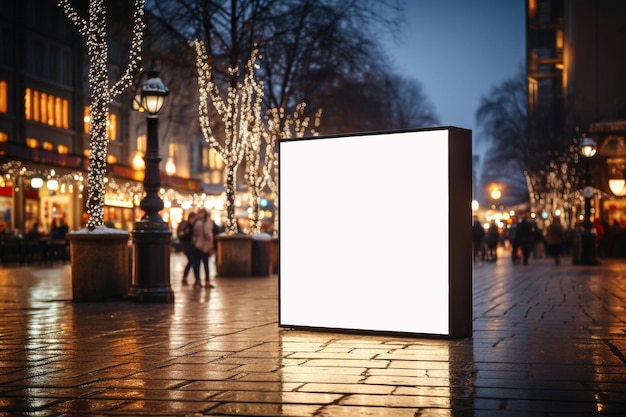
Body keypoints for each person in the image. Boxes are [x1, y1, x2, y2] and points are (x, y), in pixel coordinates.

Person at [192, 209, 215, 289]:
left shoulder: (197, 223)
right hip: (204, 247)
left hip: (197, 245)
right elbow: (209, 235)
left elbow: (195, 235)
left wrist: (196, 242)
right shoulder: (206, 223)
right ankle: (207, 282)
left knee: (197, 265)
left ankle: (198, 281)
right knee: (205, 265)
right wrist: (210, 246)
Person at [177, 212, 196, 286]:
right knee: (191, 261)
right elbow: (183, 235)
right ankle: (185, 277)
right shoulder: (187, 225)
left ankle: (185, 277)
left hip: (188, 246)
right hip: (188, 246)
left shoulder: (189, 225)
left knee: (191, 261)